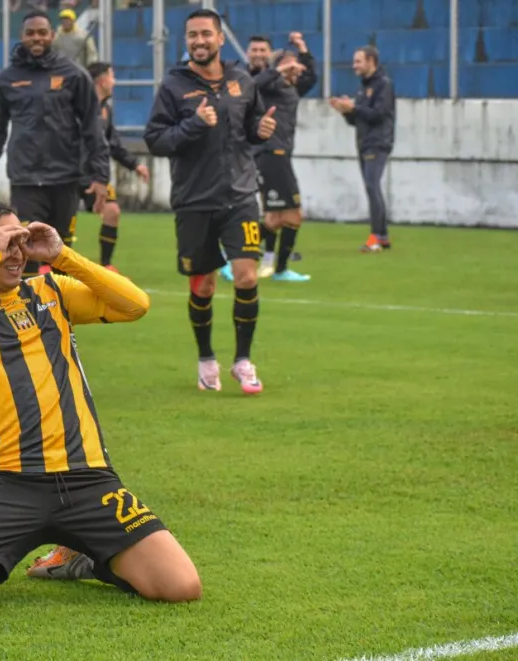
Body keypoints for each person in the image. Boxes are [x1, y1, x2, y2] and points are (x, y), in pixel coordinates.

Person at [0, 200, 202, 611]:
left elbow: (135, 304)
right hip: (7, 482)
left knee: (180, 585)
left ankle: (83, 556)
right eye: (3, 243)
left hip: (89, 479)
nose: (15, 253)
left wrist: (62, 256)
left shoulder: (51, 292)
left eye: (20, 241)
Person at [141, 8, 276, 394]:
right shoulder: (173, 86)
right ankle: (206, 359)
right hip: (194, 200)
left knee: (247, 276)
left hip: (240, 196)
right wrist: (194, 124)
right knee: (203, 286)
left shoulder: (241, 80)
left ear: (220, 38)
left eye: (205, 34)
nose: (199, 41)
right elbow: (156, 140)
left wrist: (261, 130)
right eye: (192, 36)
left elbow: (250, 128)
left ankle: (243, 361)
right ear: (186, 42)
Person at [0, 10, 110, 277]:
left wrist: (101, 175)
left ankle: (62, 316)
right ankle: (28, 317)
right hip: (26, 181)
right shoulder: (7, 79)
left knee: (62, 254)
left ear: (52, 35)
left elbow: (93, 128)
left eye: (42, 32)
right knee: (25, 252)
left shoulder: (74, 75)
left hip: (66, 179)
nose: (36, 38)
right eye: (30, 33)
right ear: (22, 37)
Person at [248, 33, 317, 282]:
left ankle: (273, 265)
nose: (296, 70)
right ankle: (237, 249)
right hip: (270, 153)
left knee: (276, 218)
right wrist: (280, 68)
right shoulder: (268, 86)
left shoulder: (292, 87)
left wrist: (302, 48)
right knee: (293, 215)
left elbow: (312, 76)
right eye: (291, 66)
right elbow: (254, 85)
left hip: (280, 154)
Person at [82, 61, 150, 272]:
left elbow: (113, 144)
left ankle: (105, 264)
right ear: (102, 80)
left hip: (96, 175)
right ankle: (48, 266)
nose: (114, 81)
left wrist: (135, 164)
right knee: (62, 220)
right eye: (112, 76)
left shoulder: (106, 110)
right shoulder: (78, 106)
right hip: (70, 173)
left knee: (112, 211)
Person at [329, 46, 396, 252]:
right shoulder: (362, 87)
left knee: (372, 185)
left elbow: (379, 114)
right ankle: (382, 236)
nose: (354, 66)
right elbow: (357, 121)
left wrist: (354, 108)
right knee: (371, 186)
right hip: (364, 141)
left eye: (358, 61)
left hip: (378, 142)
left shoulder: (383, 85)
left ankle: (376, 236)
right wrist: (344, 111)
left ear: (371, 62)